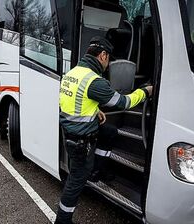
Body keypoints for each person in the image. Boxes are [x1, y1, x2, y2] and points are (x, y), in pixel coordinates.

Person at [56, 36, 153, 224]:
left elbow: (71, 100)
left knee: (109, 132)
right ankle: (62, 220)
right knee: (76, 181)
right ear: (102, 55)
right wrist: (145, 92)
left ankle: (97, 170)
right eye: (108, 60)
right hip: (80, 140)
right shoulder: (94, 81)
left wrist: (96, 110)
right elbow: (123, 102)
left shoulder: (73, 73)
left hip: (75, 132)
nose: (108, 65)